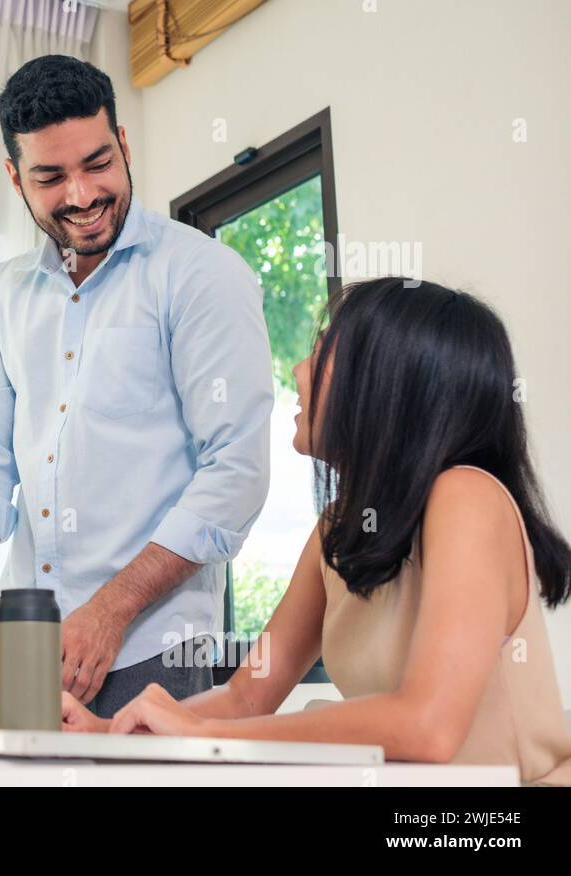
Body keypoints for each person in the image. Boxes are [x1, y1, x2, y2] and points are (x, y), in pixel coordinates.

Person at [62, 278, 571, 786]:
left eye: (324, 350)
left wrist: (206, 740)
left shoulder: (466, 496)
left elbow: (428, 727)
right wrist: (112, 733)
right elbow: (246, 697)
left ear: (384, 384)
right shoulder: (338, 528)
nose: (298, 369)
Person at [0, 54, 273, 716]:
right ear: (15, 178)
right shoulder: (3, 295)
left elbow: (235, 473)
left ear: (123, 143)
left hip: (153, 649)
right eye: (52, 176)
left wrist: (112, 610)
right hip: (22, 648)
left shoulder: (201, 276)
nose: (83, 195)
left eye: (97, 164)